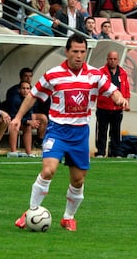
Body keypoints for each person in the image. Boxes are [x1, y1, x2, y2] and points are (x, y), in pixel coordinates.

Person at [12, 34, 128, 231]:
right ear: (67, 52)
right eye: (75, 51)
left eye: (83, 52)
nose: (79, 55)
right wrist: (17, 117)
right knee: (48, 170)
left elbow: (113, 90)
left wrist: (120, 99)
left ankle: (68, 217)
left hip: (80, 132)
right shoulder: (53, 74)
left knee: (78, 179)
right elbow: (33, 96)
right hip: (57, 130)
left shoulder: (95, 75)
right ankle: (31, 210)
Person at [95, 51, 131, 158]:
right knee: (102, 130)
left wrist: (126, 102)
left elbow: (126, 89)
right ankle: (100, 152)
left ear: (118, 60)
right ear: (107, 59)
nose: (112, 61)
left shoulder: (123, 73)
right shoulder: (101, 72)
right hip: (103, 107)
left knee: (116, 131)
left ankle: (116, 152)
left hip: (117, 108)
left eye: (115, 59)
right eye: (111, 59)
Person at [6, 68, 49, 149]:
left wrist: (32, 116)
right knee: (21, 124)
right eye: (26, 76)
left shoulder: (33, 89)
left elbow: (34, 106)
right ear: (21, 77)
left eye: (30, 76)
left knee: (43, 117)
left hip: (29, 113)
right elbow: (13, 111)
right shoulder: (14, 91)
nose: (28, 78)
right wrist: (28, 120)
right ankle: (13, 151)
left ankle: (39, 141)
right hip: (16, 115)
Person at [7, 81, 40, 157]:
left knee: (28, 127)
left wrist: (32, 121)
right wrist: (28, 121)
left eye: (27, 88)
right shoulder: (15, 99)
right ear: (19, 90)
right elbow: (13, 117)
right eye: (23, 88)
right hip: (7, 120)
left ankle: (29, 153)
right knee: (15, 125)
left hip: (21, 121)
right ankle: (13, 152)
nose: (25, 90)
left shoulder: (31, 100)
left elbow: (29, 115)